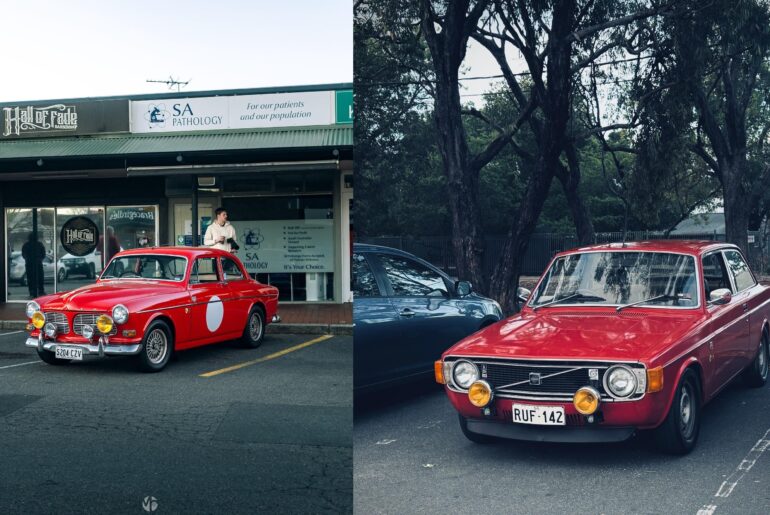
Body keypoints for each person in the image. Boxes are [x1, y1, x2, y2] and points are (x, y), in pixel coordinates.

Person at [21, 232, 46, 297]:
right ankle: (41, 290)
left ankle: (32, 291)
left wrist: (28, 259)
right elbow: (43, 254)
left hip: (29, 264)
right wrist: (40, 259)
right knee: (40, 277)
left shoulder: (26, 245)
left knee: (30, 278)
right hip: (38, 263)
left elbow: (23, 254)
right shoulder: (39, 244)